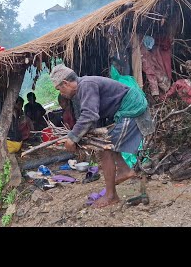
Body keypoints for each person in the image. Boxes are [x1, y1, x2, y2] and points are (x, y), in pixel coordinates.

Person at [50, 64, 154, 208]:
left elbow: (89, 115)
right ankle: (124, 171)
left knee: (106, 150)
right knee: (107, 144)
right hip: (126, 109)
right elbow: (95, 115)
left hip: (131, 109)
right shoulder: (83, 89)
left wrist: (72, 137)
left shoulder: (86, 85)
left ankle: (111, 196)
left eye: (59, 89)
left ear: (66, 83)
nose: (61, 93)